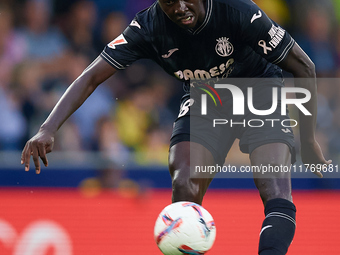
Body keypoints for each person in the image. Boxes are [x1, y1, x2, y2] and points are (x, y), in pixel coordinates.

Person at [21, 0, 331, 254]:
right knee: (184, 186)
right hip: (206, 98)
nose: (180, 7)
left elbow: (304, 65)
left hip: (259, 88)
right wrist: (48, 127)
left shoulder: (238, 11)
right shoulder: (148, 27)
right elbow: (90, 76)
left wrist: (307, 139)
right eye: (170, 2)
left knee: (274, 187)